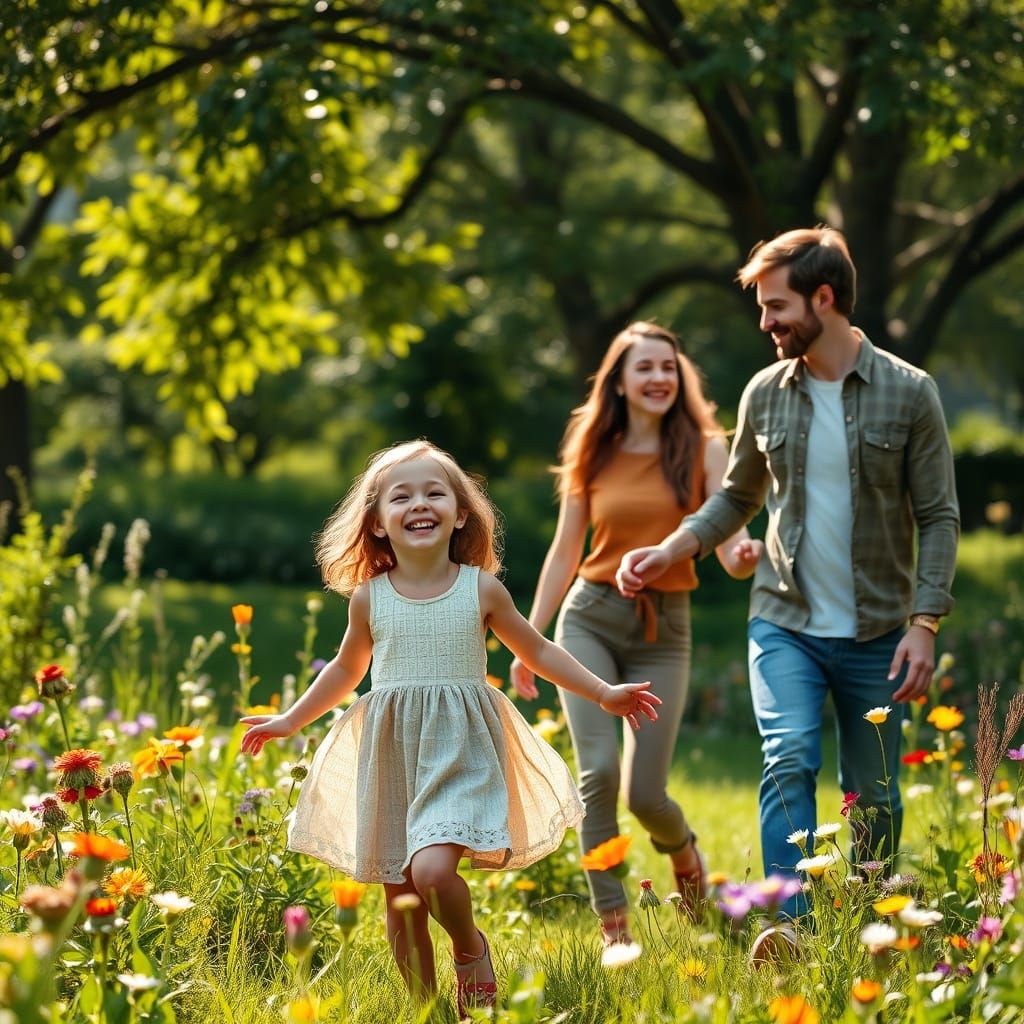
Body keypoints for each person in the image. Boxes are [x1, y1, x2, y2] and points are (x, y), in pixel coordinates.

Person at [239, 439, 660, 1015]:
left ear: (461, 513)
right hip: (392, 752)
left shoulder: (479, 589)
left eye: (435, 492)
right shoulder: (369, 599)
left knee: (433, 871)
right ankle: (427, 1008)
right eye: (402, 496)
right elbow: (346, 669)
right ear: (378, 522)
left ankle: (470, 950)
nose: (420, 504)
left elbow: (536, 649)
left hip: (459, 751)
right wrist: (291, 719)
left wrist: (603, 690)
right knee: (401, 894)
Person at [616, 228, 960, 924]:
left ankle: (868, 923)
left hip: (879, 631)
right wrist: (673, 547)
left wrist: (925, 625)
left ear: (823, 298)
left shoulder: (910, 393)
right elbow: (737, 497)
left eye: (776, 306)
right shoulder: (765, 393)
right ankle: (789, 926)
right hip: (785, 620)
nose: (766, 322)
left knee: (876, 793)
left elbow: (940, 516)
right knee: (789, 757)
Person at [509, 322, 763, 947]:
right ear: (619, 381)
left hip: (664, 629)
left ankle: (684, 853)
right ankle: (615, 931)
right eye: (644, 368)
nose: (658, 379)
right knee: (595, 772)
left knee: (646, 794)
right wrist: (529, 638)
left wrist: (742, 556)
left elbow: (726, 535)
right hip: (589, 618)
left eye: (668, 368)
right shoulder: (592, 447)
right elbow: (567, 548)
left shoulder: (705, 448)